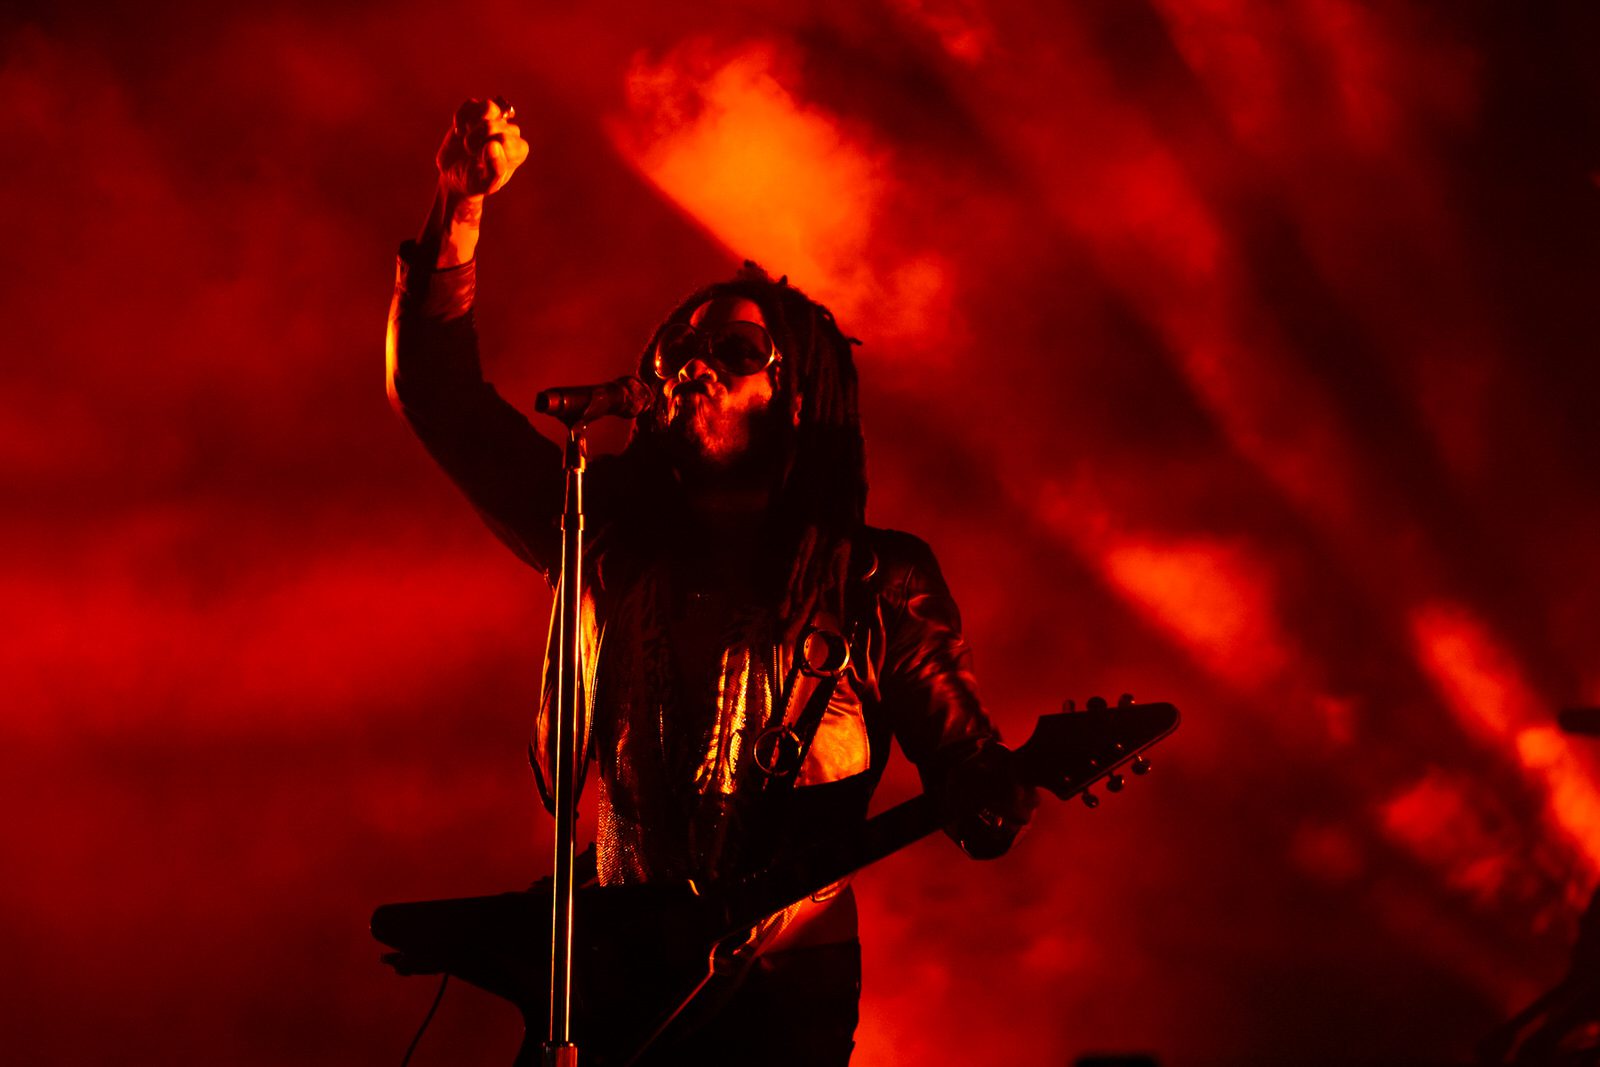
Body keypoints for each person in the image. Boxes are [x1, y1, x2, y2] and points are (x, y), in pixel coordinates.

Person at [385, 97, 1037, 1066]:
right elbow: (440, 400)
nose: (695, 365)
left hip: (782, 991)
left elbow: (980, 799)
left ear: (799, 396)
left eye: (734, 351)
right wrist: (460, 207)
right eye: (676, 352)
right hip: (608, 970)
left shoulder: (873, 583)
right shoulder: (606, 538)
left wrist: (1001, 787)